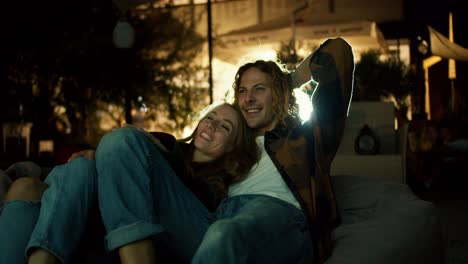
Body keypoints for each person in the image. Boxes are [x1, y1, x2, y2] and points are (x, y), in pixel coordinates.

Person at [0, 101, 259, 264]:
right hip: (104, 212)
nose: (211, 127)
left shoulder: (217, 185)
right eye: (210, 118)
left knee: (119, 141)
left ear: (234, 146)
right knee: (33, 183)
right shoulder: (165, 143)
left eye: (224, 127)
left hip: (169, 230)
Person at [190, 37, 354, 264]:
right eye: (243, 91)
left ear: (278, 93)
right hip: (220, 217)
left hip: (278, 215)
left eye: (259, 89)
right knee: (129, 142)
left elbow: (338, 53)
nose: (248, 98)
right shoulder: (232, 145)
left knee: (223, 234)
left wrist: (289, 80)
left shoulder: (307, 139)